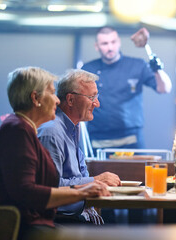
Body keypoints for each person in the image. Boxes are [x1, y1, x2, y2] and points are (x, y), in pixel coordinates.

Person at [0, 67, 110, 239]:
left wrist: (84, 189)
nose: (58, 100)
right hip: (22, 228)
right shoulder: (18, 130)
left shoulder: (22, 127)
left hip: (30, 223)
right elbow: (27, 193)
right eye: (52, 93)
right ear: (35, 98)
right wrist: (82, 192)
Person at [38, 69, 121, 224]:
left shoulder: (74, 127)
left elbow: (78, 176)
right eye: (92, 97)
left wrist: (93, 182)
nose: (97, 103)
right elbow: (51, 187)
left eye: (96, 96)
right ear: (70, 100)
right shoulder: (52, 132)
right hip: (60, 220)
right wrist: (94, 181)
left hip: (78, 212)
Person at [81, 27, 172, 150]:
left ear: (119, 42)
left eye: (113, 42)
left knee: (137, 170)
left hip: (131, 137)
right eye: (104, 43)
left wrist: (157, 69)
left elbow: (164, 88)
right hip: (98, 138)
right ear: (97, 46)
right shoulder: (88, 69)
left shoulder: (138, 65)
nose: (110, 48)